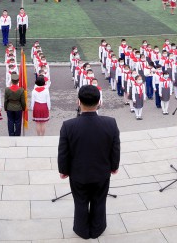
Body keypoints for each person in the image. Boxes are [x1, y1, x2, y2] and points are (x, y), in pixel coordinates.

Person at [58, 85, 120, 239]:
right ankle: (97, 229)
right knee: (99, 201)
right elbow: (115, 149)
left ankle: (82, 230)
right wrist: (114, 166)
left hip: (78, 174)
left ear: (79, 102)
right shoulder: (110, 123)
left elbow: (63, 152)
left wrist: (63, 170)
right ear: (99, 102)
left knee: (80, 202)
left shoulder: (69, 126)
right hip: (101, 172)